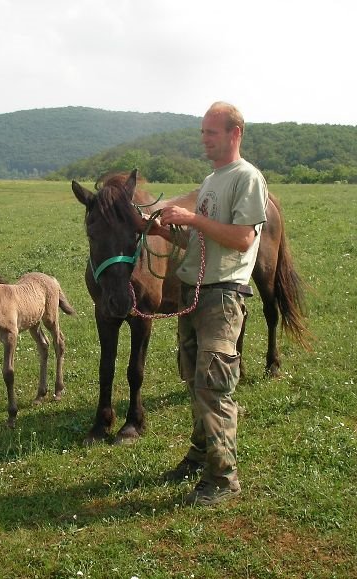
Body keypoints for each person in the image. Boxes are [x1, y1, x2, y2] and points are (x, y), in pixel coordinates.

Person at [147, 101, 268, 506]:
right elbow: (202, 241)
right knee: (195, 381)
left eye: (210, 133)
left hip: (222, 296)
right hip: (195, 293)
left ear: (234, 134)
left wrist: (194, 219)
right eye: (202, 132)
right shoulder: (212, 179)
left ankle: (223, 479)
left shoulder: (246, 178)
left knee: (214, 385)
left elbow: (243, 239)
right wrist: (174, 228)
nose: (204, 140)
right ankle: (201, 455)